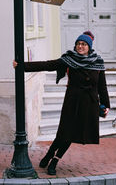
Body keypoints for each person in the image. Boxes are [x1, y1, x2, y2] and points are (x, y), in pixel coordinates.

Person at [13, 31, 110, 175]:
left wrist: (105, 105)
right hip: (72, 102)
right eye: (78, 44)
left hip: (89, 105)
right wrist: (22, 66)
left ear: (89, 47)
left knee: (71, 134)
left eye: (83, 44)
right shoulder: (69, 59)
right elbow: (48, 65)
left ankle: (54, 160)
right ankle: (49, 155)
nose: (80, 47)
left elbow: (102, 86)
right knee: (64, 133)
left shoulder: (98, 62)